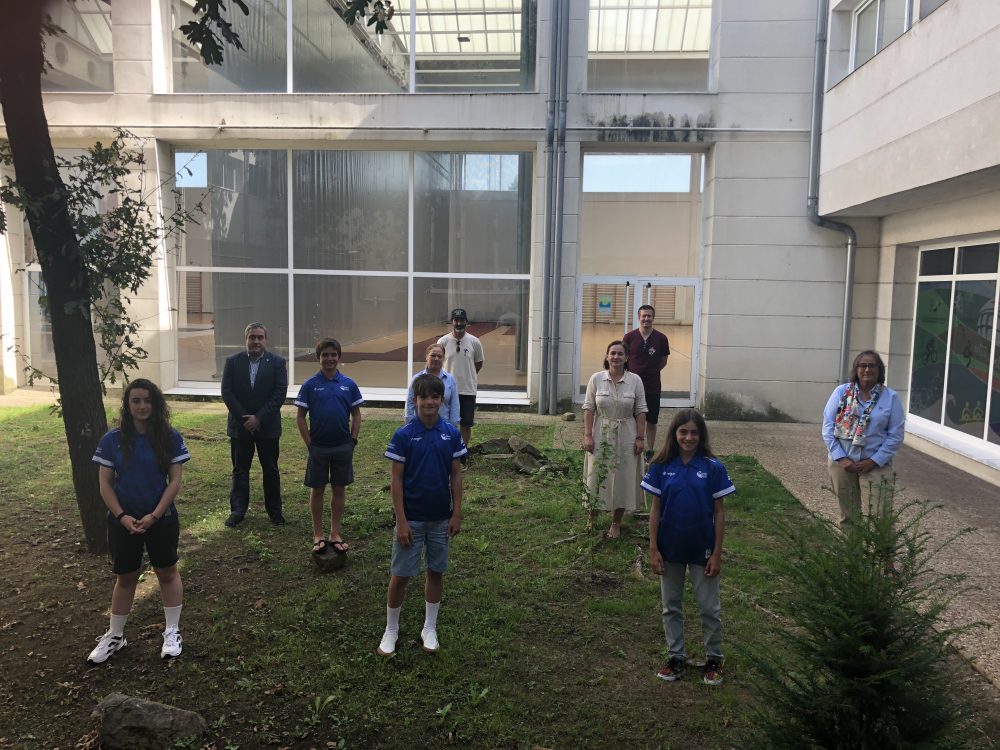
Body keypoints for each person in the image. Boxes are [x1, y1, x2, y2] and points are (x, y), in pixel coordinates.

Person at [87, 379, 191, 664]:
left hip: (161, 519)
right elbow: (105, 486)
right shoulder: (112, 440)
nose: (143, 406)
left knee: (167, 572)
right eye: (136, 401)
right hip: (124, 521)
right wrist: (122, 517)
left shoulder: (169, 437)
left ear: (156, 404)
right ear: (128, 404)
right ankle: (115, 636)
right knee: (126, 577)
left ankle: (172, 631)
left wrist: (154, 515)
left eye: (148, 400)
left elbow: (175, 481)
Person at [642, 408, 734, 686]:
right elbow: (655, 511)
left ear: (701, 435)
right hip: (669, 548)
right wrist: (654, 549)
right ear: (674, 434)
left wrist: (717, 553)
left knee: (709, 607)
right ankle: (676, 656)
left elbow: (719, 512)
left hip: (702, 550)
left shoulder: (713, 467)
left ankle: (714, 658)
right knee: (671, 606)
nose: (689, 437)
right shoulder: (660, 466)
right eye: (683, 432)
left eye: (694, 432)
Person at [377, 374, 467, 656]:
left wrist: (456, 514)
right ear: (414, 400)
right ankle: (391, 629)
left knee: (436, 571)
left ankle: (430, 626)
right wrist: (401, 521)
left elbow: (456, 475)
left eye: (435, 397)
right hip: (412, 519)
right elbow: (396, 481)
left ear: (441, 401)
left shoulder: (450, 433)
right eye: (424, 397)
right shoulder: (404, 435)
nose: (429, 402)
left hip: (440, 517)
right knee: (401, 575)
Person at [295, 338, 363, 555]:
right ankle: (318, 534)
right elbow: (300, 417)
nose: (330, 359)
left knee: (338, 488)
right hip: (319, 448)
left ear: (339, 357)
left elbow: (356, 414)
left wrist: (352, 440)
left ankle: (335, 533)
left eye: (333, 354)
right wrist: (310, 444)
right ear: (319, 358)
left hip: (343, 446)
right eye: (325, 355)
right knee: (318, 489)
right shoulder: (310, 385)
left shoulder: (349, 384)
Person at [822, 350, 905, 526]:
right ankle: (852, 552)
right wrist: (841, 458)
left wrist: (874, 461)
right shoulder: (841, 392)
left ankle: (880, 554)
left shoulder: (891, 398)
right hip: (842, 465)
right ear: (856, 369)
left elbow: (895, 435)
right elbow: (828, 428)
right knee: (849, 517)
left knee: (880, 518)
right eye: (863, 365)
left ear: (879, 370)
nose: (867, 369)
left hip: (876, 466)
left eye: (872, 365)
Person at [220, 322, 288, 527]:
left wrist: (259, 418)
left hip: (267, 427)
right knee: (240, 470)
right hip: (240, 427)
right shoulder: (232, 362)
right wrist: (245, 419)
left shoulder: (277, 362)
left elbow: (279, 393)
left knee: (271, 469)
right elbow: (227, 392)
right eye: (252, 337)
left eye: (260, 337)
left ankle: (275, 512)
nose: (256, 341)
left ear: (266, 340)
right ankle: (238, 510)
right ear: (246, 340)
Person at [582, 340, 648, 539]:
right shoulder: (596, 379)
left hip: (627, 432)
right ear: (607, 356)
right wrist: (587, 435)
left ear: (626, 358)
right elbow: (588, 408)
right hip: (601, 431)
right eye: (613, 353)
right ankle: (592, 517)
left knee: (622, 475)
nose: (616, 357)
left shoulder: (635, 380)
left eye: (620, 354)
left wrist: (639, 438)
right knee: (596, 473)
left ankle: (616, 522)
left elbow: (641, 410)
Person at [622, 304, 670, 460]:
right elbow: (624, 359)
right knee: (631, 417)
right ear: (638, 318)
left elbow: (663, 361)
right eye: (644, 316)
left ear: (653, 318)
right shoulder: (629, 337)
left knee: (651, 419)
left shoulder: (661, 338)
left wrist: (651, 371)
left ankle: (650, 449)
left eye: (649, 316)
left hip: (652, 385)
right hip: (631, 386)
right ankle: (633, 445)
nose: (646, 319)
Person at [437, 308, 484, 450]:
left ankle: (462, 452)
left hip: (467, 390)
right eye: (456, 320)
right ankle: (446, 450)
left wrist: (468, 376)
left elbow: (478, 363)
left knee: (466, 424)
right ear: (452, 321)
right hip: (447, 389)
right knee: (445, 422)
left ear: (466, 322)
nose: (459, 323)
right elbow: (437, 363)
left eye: (462, 320)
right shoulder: (443, 341)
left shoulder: (474, 342)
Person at [404, 343, 460, 426]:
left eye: (440, 356)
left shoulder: (450, 380)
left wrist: (452, 426)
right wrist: (410, 424)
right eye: (433, 355)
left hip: (444, 426)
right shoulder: (416, 379)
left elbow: (454, 404)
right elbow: (410, 403)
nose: (436, 358)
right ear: (426, 356)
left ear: (443, 358)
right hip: (421, 425)